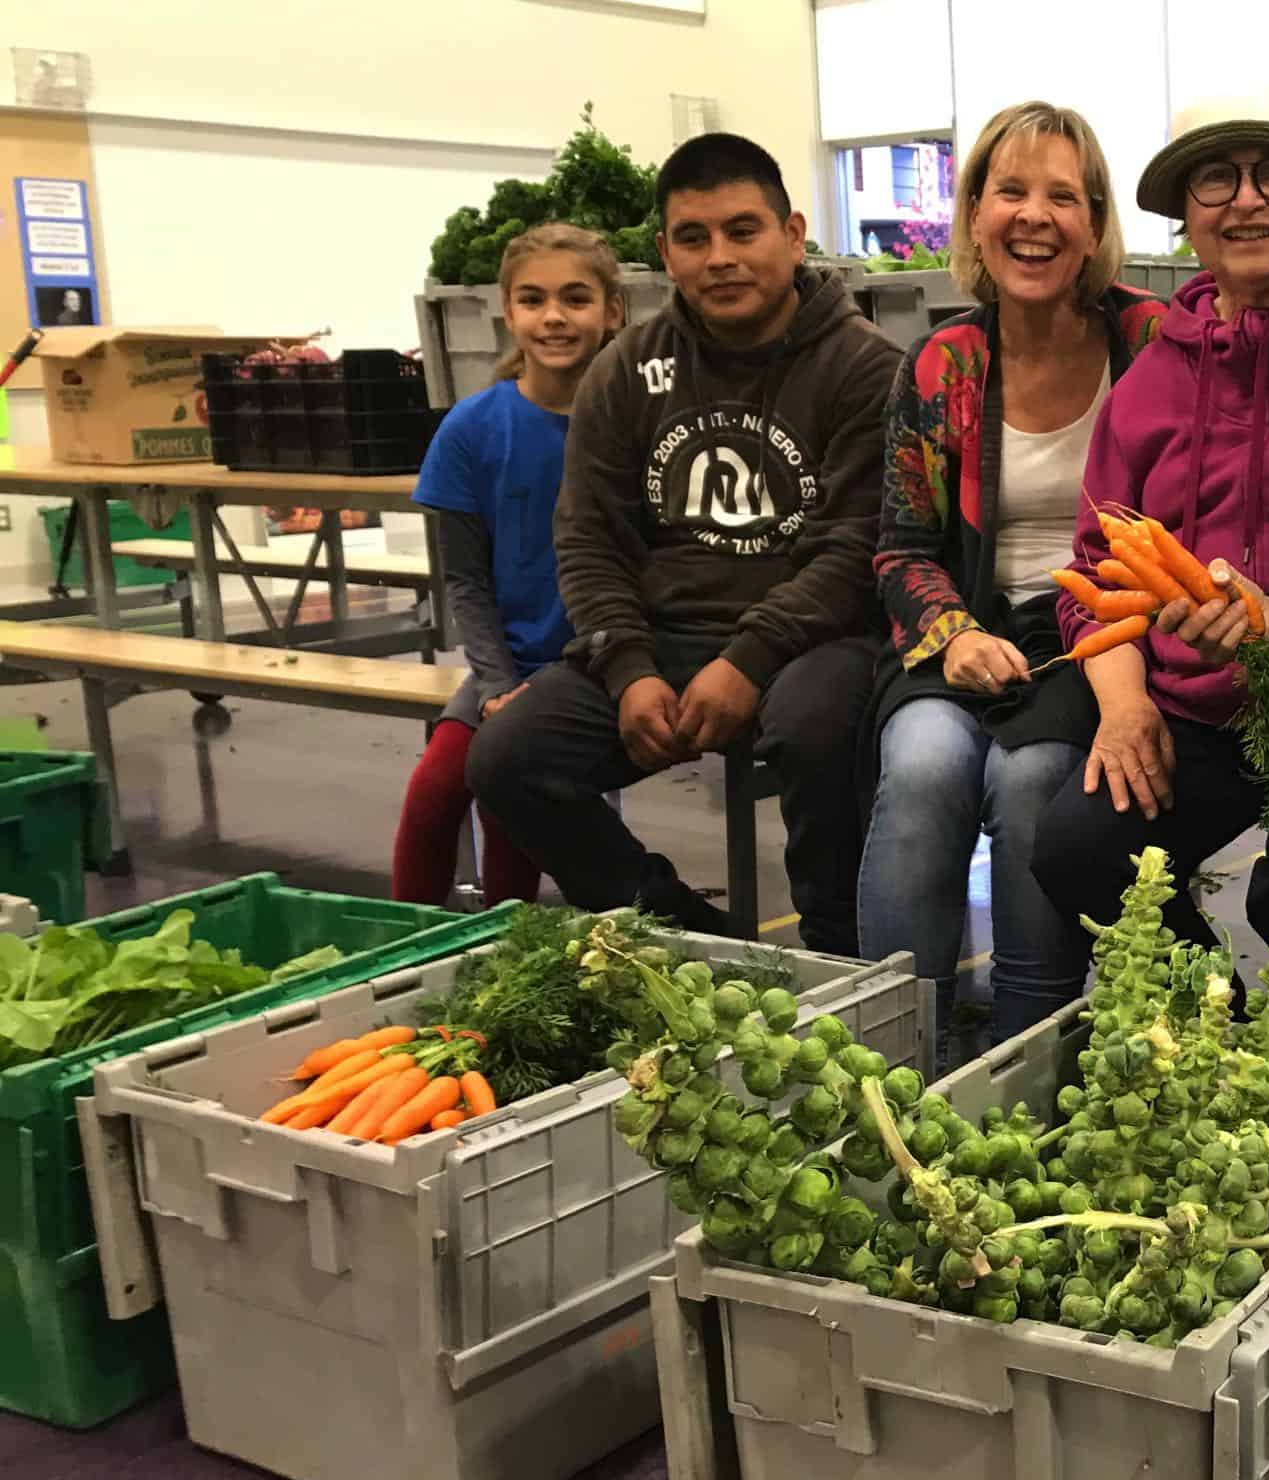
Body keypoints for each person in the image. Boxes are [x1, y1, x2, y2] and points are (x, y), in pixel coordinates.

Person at [1030, 85, 1269, 1037]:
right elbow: (1094, 574)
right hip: (1198, 712)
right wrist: (1124, 706)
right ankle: (1220, 1029)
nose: (1246, 200)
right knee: (1078, 847)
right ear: (1186, 215)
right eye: (1215, 179)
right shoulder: (1154, 375)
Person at [468, 132, 896, 952]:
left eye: (743, 231)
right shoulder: (626, 369)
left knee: (821, 722)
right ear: (664, 251)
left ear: (793, 233)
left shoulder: (865, 367)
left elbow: (855, 548)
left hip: (813, 642)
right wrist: (626, 667)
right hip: (661, 640)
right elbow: (588, 538)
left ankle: (839, 953)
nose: (720, 258)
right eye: (693, 238)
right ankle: (675, 930)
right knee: (507, 758)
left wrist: (750, 659)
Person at [862, 102, 1165, 1048]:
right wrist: (954, 637)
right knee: (922, 767)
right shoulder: (942, 363)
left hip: (1106, 636)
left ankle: (1032, 1054)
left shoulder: (1152, 343)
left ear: (1095, 223)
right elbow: (902, 546)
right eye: (1011, 191)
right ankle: (894, 1050)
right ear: (975, 215)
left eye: (1062, 197)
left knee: (1036, 781)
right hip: (968, 631)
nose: (1034, 216)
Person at [392, 223, 621, 906]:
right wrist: (495, 686)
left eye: (576, 298)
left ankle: (509, 929)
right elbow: (465, 579)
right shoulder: (470, 429)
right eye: (533, 299)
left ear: (613, 311)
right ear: (507, 310)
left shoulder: (629, 423)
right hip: (506, 664)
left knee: (512, 791)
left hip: (597, 667)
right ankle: (410, 951)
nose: (554, 316)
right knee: (434, 793)